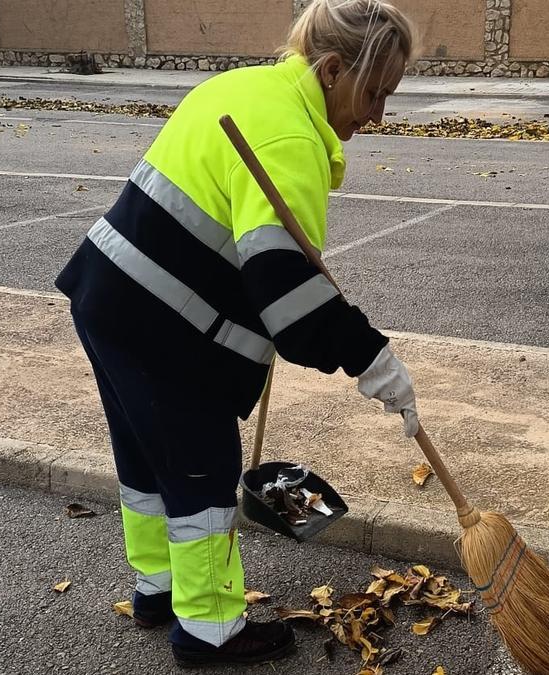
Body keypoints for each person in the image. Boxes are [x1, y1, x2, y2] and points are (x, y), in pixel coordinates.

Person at [54, 0, 419, 667]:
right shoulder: (289, 138)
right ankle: (210, 627)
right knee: (201, 471)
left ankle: (159, 588)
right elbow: (294, 304)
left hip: (108, 297)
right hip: (162, 323)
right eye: (374, 93)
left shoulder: (243, 87)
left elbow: (243, 254)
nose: (377, 115)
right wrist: (373, 357)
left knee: (147, 458)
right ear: (334, 70)